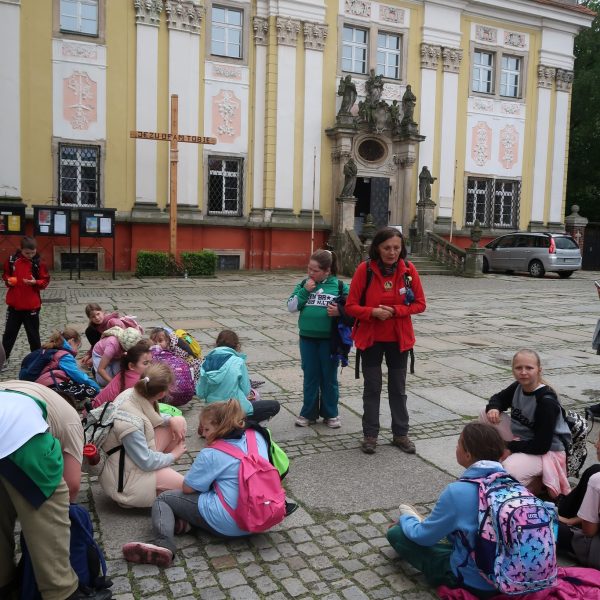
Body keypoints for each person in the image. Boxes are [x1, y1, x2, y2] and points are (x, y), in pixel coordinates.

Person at [121, 400, 279, 568]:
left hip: (231, 523)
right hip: (262, 515)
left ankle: (163, 544)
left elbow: (188, 488)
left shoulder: (212, 453)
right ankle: (186, 524)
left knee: (164, 499)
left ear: (221, 426)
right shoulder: (257, 435)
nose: (203, 433)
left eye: (207, 429)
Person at [0, 381, 108, 599]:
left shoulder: (20, 387)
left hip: (7, 422)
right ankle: (62, 592)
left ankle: (5, 584)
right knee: (49, 513)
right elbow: (72, 486)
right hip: (17, 431)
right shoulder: (71, 418)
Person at [386, 422, 506, 597]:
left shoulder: (458, 491)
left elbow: (422, 538)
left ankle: (420, 521)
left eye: (458, 443)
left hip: (477, 582)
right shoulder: (514, 484)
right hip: (515, 576)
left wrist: (405, 520)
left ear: (468, 454)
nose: (456, 448)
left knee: (396, 534)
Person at [345, 227, 426, 454]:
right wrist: (372, 312)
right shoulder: (365, 270)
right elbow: (350, 306)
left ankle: (400, 434)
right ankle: (370, 435)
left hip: (398, 339)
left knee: (398, 388)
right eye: (387, 248)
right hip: (371, 339)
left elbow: (420, 304)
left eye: (396, 248)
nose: (392, 252)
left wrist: (396, 310)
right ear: (377, 248)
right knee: (372, 388)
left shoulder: (408, 270)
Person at [481, 348, 571, 498]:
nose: (523, 372)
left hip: (548, 451)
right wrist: (494, 407)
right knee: (485, 414)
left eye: (529, 368)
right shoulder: (518, 386)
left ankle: (536, 484)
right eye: (519, 368)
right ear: (513, 370)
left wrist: (509, 447)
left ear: (539, 370)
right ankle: (491, 462)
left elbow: (541, 446)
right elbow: (498, 398)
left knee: (508, 469)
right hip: (523, 438)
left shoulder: (546, 402)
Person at [98, 362, 187, 508]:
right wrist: (173, 456)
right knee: (187, 487)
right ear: (161, 394)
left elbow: (151, 416)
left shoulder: (133, 392)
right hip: (125, 480)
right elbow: (145, 462)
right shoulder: (130, 424)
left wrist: (171, 419)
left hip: (134, 459)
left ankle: (160, 474)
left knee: (179, 422)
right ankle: (146, 489)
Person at [287, 249, 348, 428]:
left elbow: (353, 308)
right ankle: (308, 413)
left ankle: (331, 413)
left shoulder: (339, 286)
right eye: (309, 269)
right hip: (307, 339)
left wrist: (340, 311)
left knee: (329, 376)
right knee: (310, 376)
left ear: (327, 271)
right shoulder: (304, 284)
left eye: (315, 270)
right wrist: (305, 291)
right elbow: (291, 307)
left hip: (329, 340)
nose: (310, 273)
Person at [197, 329, 279, 426]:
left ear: (216, 344)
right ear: (237, 346)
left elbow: (200, 393)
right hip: (233, 410)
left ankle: (221, 425)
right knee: (274, 405)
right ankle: (240, 425)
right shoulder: (238, 361)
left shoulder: (206, 362)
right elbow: (246, 391)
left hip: (212, 412)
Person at [1, 236, 50, 365]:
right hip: (14, 306)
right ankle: (3, 359)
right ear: (21, 250)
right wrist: (8, 280)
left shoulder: (39, 262)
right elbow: (5, 274)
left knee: (33, 336)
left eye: (33, 252)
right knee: (9, 334)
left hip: (32, 307)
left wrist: (35, 282)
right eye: (27, 253)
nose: (30, 255)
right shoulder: (12, 260)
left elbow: (45, 281)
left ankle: (37, 360)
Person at [557, 432, 600, 569]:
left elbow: (589, 531)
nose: (596, 444)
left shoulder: (597, 480)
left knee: (547, 527)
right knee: (594, 469)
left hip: (596, 552)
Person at [34, 328, 100, 405]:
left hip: (42, 386)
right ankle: (75, 404)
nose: (77, 350)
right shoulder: (65, 356)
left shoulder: (53, 350)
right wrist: (96, 387)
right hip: (51, 387)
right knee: (91, 390)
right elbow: (78, 376)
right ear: (71, 341)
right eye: (77, 346)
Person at [91, 339, 152, 409]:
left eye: (151, 362)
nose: (150, 366)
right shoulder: (136, 380)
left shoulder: (126, 372)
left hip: (94, 407)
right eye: (145, 363)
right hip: (98, 412)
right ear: (131, 366)